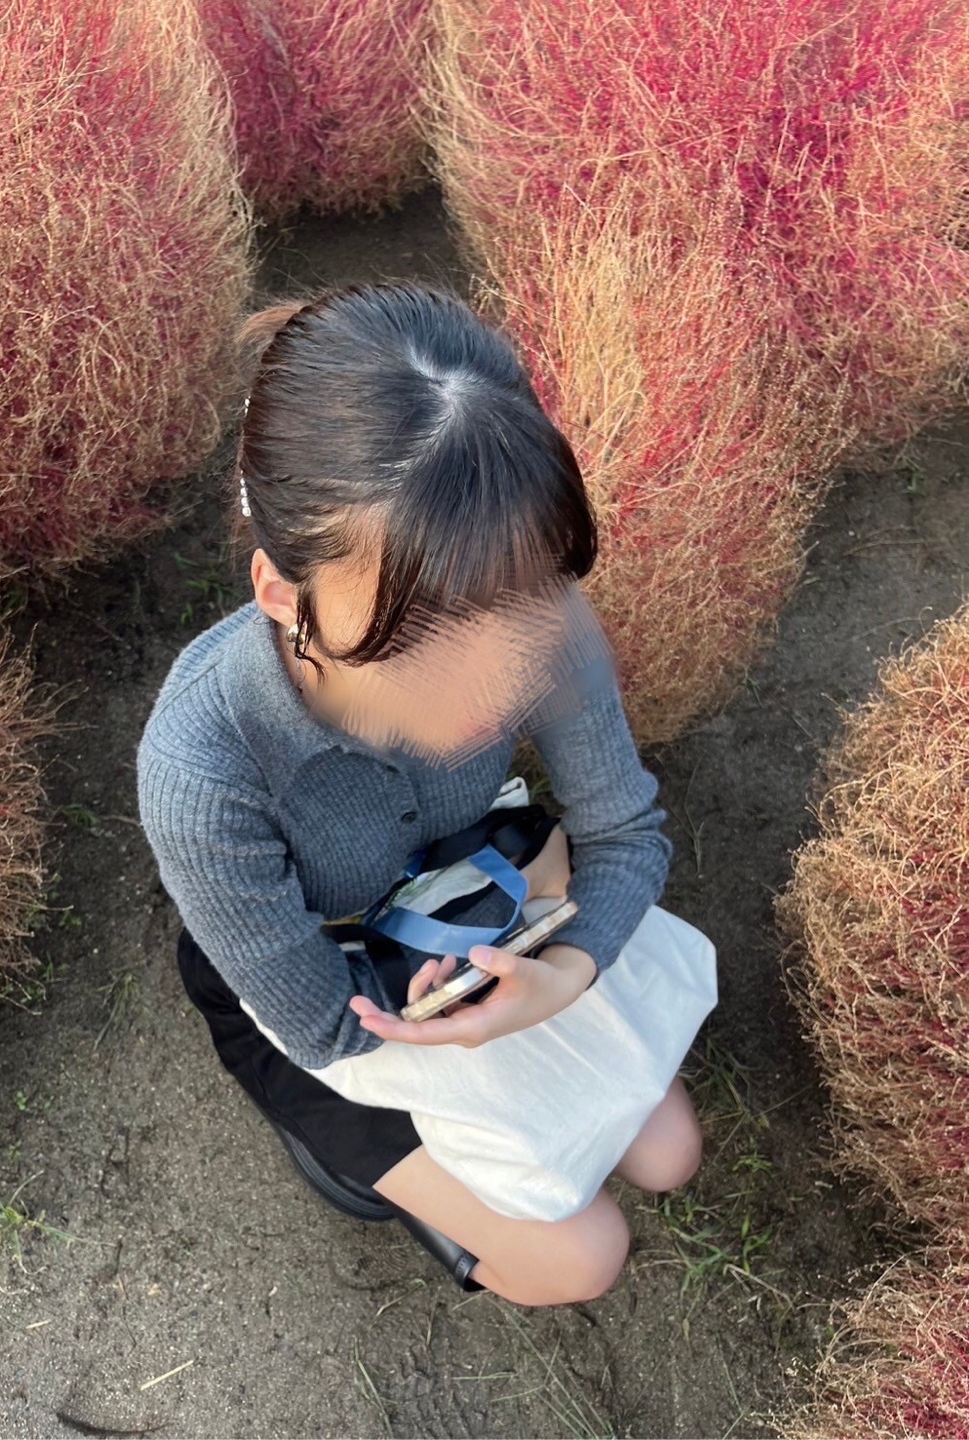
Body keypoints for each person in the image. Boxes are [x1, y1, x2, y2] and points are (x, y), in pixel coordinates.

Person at [137, 280, 715, 1308]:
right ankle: (359, 1159)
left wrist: (565, 974)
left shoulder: (534, 605)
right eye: (417, 640)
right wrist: (498, 1009)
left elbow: (626, 833)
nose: (489, 689)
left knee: (670, 1152)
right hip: (330, 993)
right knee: (582, 1259)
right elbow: (327, 1026)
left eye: (513, 613)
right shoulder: (200, 773)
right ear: (283, 595)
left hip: (472, 898)